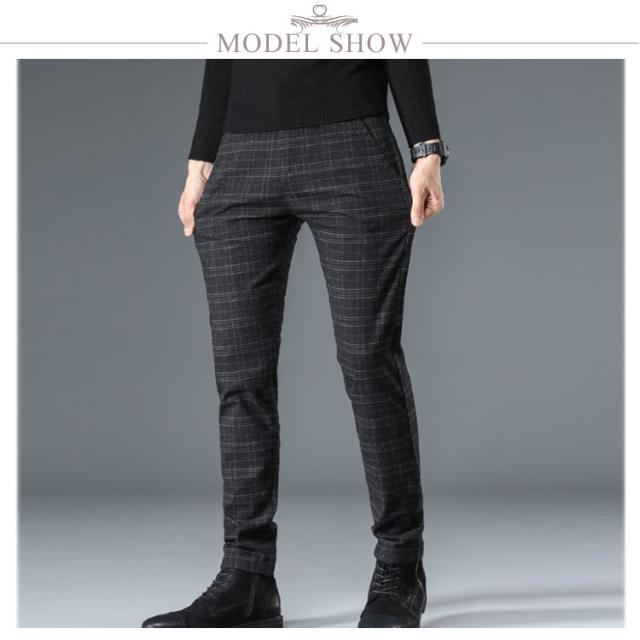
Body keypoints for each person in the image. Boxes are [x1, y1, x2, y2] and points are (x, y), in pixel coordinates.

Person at [142, 59, 448, 629]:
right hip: (240, 154)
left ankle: (401, 564)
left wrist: (426, 148)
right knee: (240, 378)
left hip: (350, 147)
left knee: (368, 360)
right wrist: (200, 159)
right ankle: (248, 578)